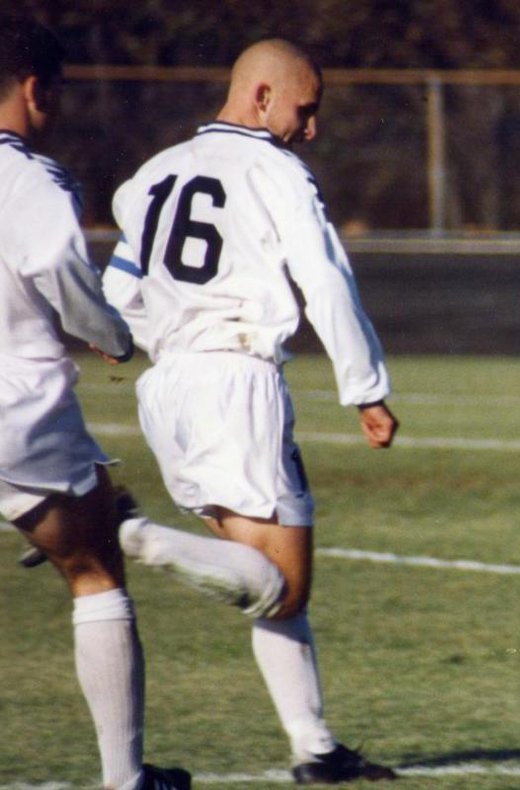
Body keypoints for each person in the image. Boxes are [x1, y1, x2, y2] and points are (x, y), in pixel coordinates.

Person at [100, 39, 399, 785]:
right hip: (236, 379)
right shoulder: (275, 171)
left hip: (167, 390)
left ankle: (316, 750)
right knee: (283, 586)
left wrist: (119, 340)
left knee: (268, 582)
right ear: (262, 96)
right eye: (306, 109)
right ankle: (131, 533)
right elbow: (325, 280)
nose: (311, 128)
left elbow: (118, 290)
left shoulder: (150, 177)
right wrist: (365, 386)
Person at [0, 17, 190, 790]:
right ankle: (125, 780)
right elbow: (55, 268)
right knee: (95, 568)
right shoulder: (28, 180)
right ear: (38, 88)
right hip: (18, 409)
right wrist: (108, 333)